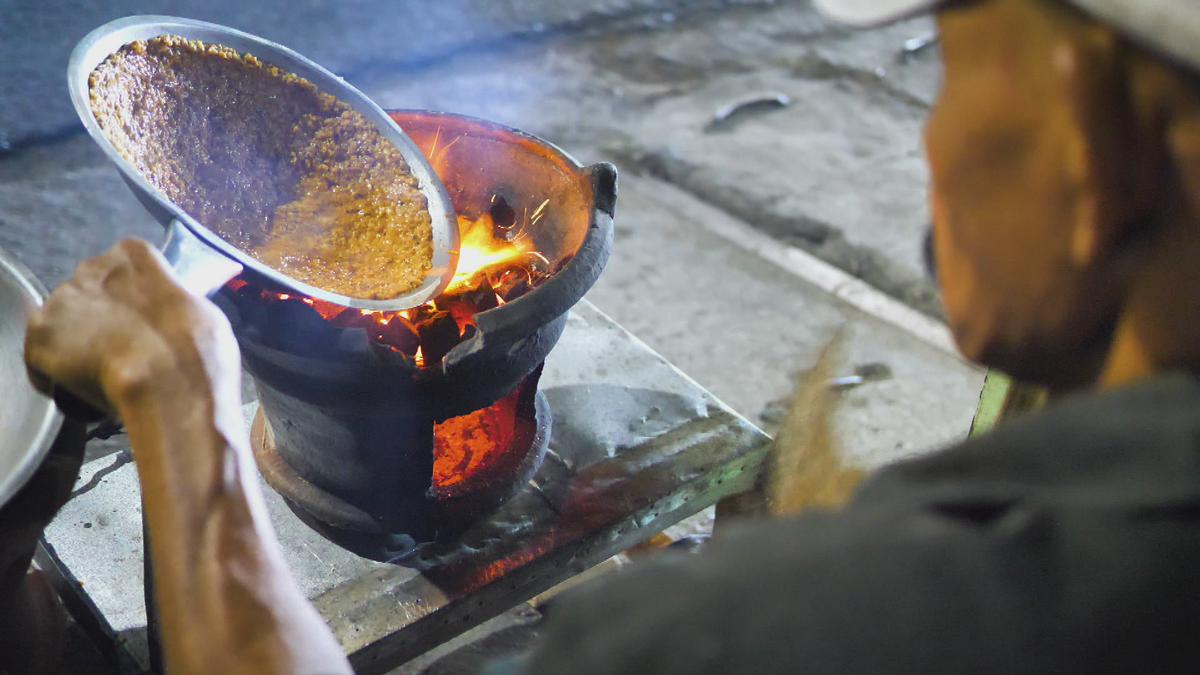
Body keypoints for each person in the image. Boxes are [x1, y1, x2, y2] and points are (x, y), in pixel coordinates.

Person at [20, 0, 1200, 673]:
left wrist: (180, 397)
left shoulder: (813, 629)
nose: (934, 137)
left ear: (1091, 156)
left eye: (946, 66)